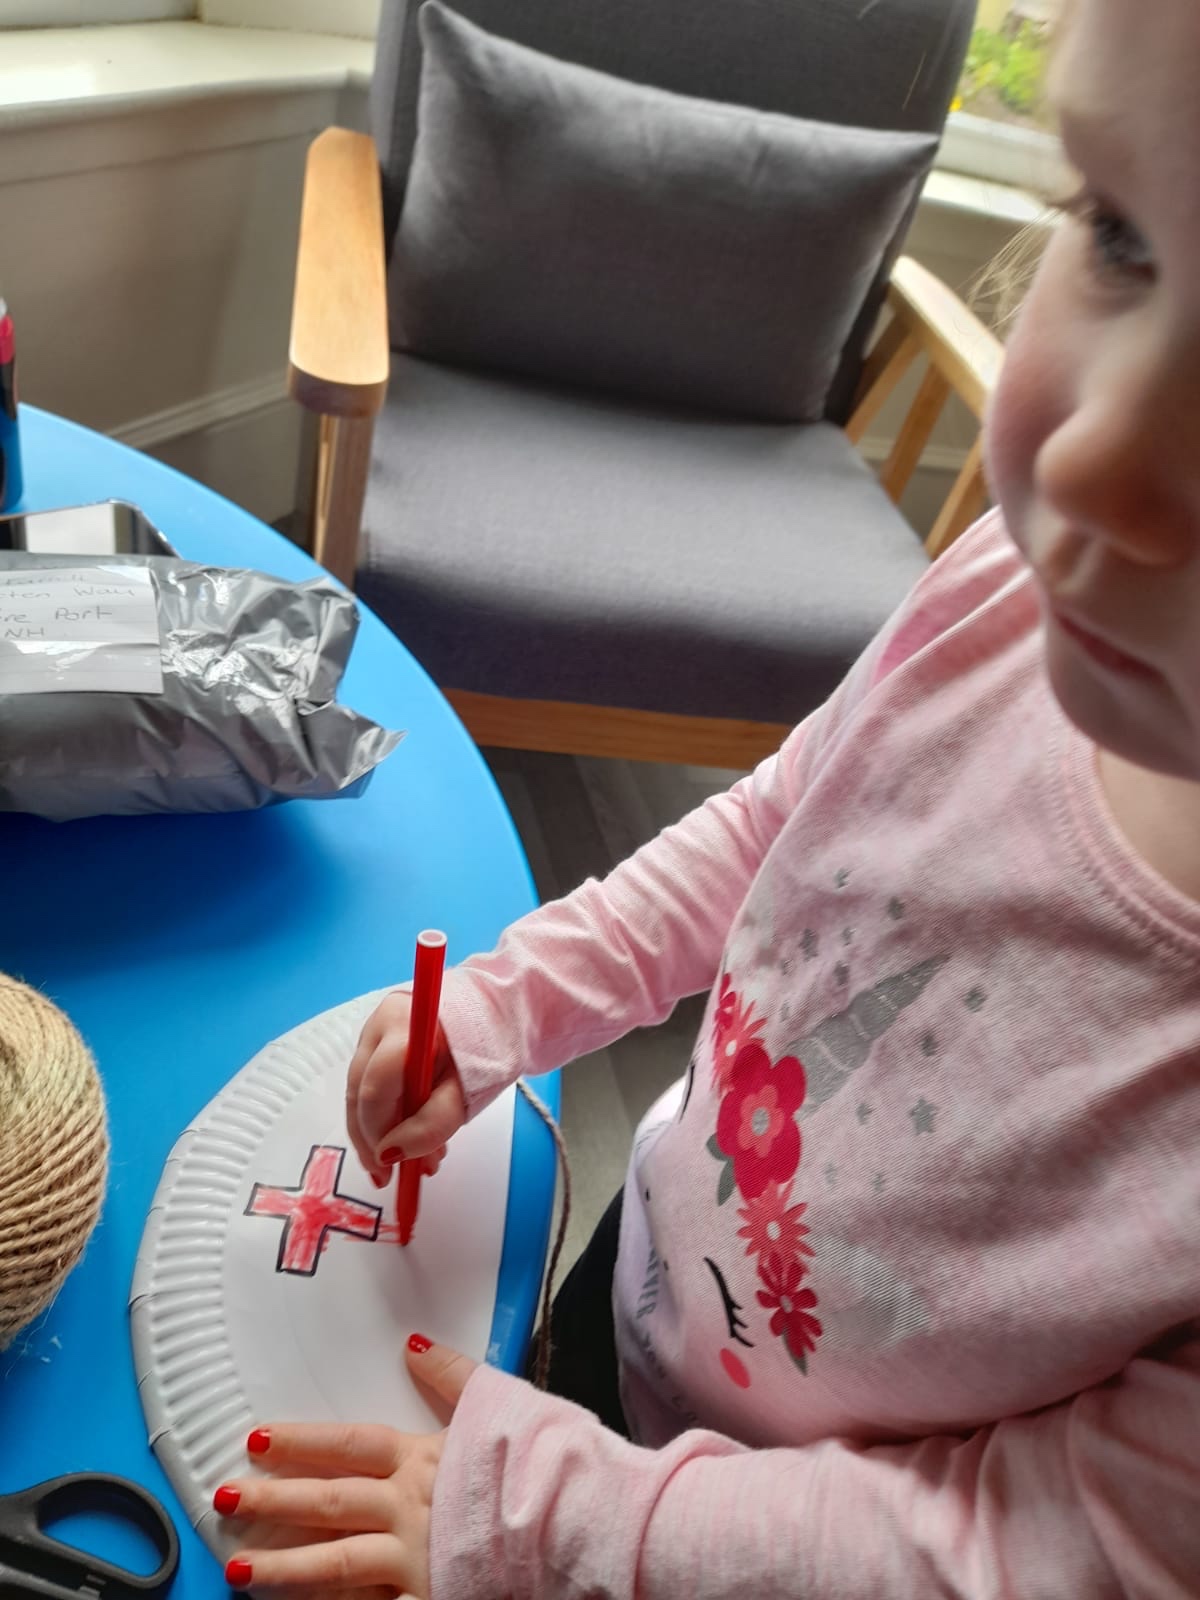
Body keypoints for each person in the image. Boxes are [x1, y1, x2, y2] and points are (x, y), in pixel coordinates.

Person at [214, 0, 1200, 1592]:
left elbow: (1038, 1549)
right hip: (650, 1259)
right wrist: (507, 1007)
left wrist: (569, 1528)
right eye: (1123, 235)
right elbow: (775, 833)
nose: (1091, 466)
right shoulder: (1008, 595)